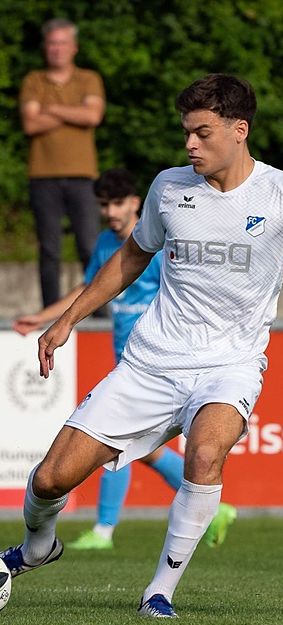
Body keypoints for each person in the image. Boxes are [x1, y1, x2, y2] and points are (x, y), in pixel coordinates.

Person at [0, 73, 283, 619]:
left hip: (230, 366)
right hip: (151, 364)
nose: (190, 144)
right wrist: (67, 319)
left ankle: (159, 591)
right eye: (186, 133)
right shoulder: (168, 188)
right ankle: (34, 548)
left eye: (202, 132)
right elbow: (131, 257)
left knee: (207, 451)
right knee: (51, 478)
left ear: (239, 131)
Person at [12, 168, 236, 552]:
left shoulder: (159, 242)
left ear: (136, 202)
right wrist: (46, 316)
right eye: (103, 205)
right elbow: (90, 286)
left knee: (111, 443)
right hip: (128, 361)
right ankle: (213, 510)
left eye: (117, 203)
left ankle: (103, 529)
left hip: (158, 361)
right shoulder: (104, 242)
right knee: (137, 450)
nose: (110, 212)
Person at [20, 18, 104, 307]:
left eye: (62, 43)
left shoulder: (88, 79)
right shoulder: (34, 80)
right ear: (45, 47)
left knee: (90, 247)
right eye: (52, 43)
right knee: (49, 249)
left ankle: (96, 308)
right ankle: (50, 311)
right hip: (42, 175)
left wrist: (52, 108)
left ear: (74, 47)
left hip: (83, 175)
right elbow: (30, 124)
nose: (56, 49)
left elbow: (92, 116)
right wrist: (74, 111)